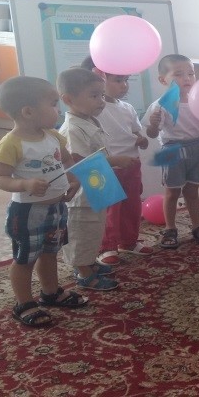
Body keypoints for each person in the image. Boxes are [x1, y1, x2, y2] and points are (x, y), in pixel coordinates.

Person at [0, 76, 87, 327]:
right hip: (27, 212)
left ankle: (50, 292)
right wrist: (24, 184)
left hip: (56, 208)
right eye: (53, 104)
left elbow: (67, 161)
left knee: (49, 252)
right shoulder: (10, 143)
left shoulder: (53, 136)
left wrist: (73, 180)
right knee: (25, 258)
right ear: (28, 112)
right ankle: (24, 303)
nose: (59, 109)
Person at [58, 67, 137, 290]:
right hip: (82, 193)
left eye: (102, 95)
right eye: (94, 96)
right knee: (81, 232)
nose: (101, 101)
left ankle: (90, 263)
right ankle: (84, 273)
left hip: (97, 186)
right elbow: (80, 161)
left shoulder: (90, 120)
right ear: (68, 99)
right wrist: (115, 161)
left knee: (94, 230)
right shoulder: (72, 128)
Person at [80, 57, 155, 266]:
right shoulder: (93, 110)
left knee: (132, 206)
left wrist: (141, 140)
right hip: (105, 167)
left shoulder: (128, 108)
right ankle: (106, 247)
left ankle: (128, 241)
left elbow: (137, 133)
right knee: (108, 209)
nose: (124, 85)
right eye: (118, 80)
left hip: (131, 165)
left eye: (126, 80)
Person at [143, 54, 199, 248]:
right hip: (172, 150)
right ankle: (170, 228)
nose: (187, 78)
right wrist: (153, 125)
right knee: (172, 192)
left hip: (198, 148)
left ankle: (197, 226)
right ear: (163, 80)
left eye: (191, 73)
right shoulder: (160, 105)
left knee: (192, 191)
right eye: (179, 74)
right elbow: (152, 134)